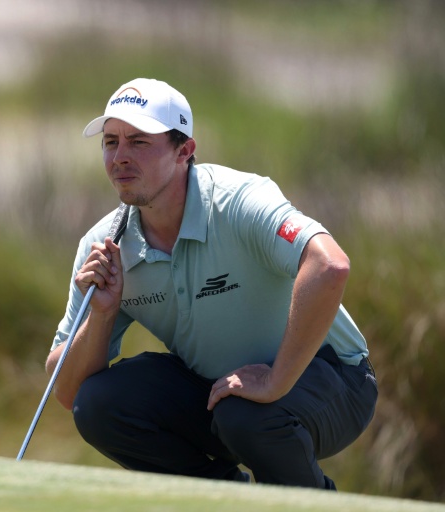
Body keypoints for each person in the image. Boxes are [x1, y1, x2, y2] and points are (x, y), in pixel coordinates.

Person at [46, 78, 377, 489]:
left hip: (335, 378)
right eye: (111, 142)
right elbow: (66, 391)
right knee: (98, 404)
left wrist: (275, 380)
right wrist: (101, 315)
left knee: (245, 415)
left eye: (139, 141)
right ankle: (222, 498)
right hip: (219, 392)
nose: (120, 157)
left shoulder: (239, 201)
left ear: (184, 151)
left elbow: (330, 266)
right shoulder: (104, 247)